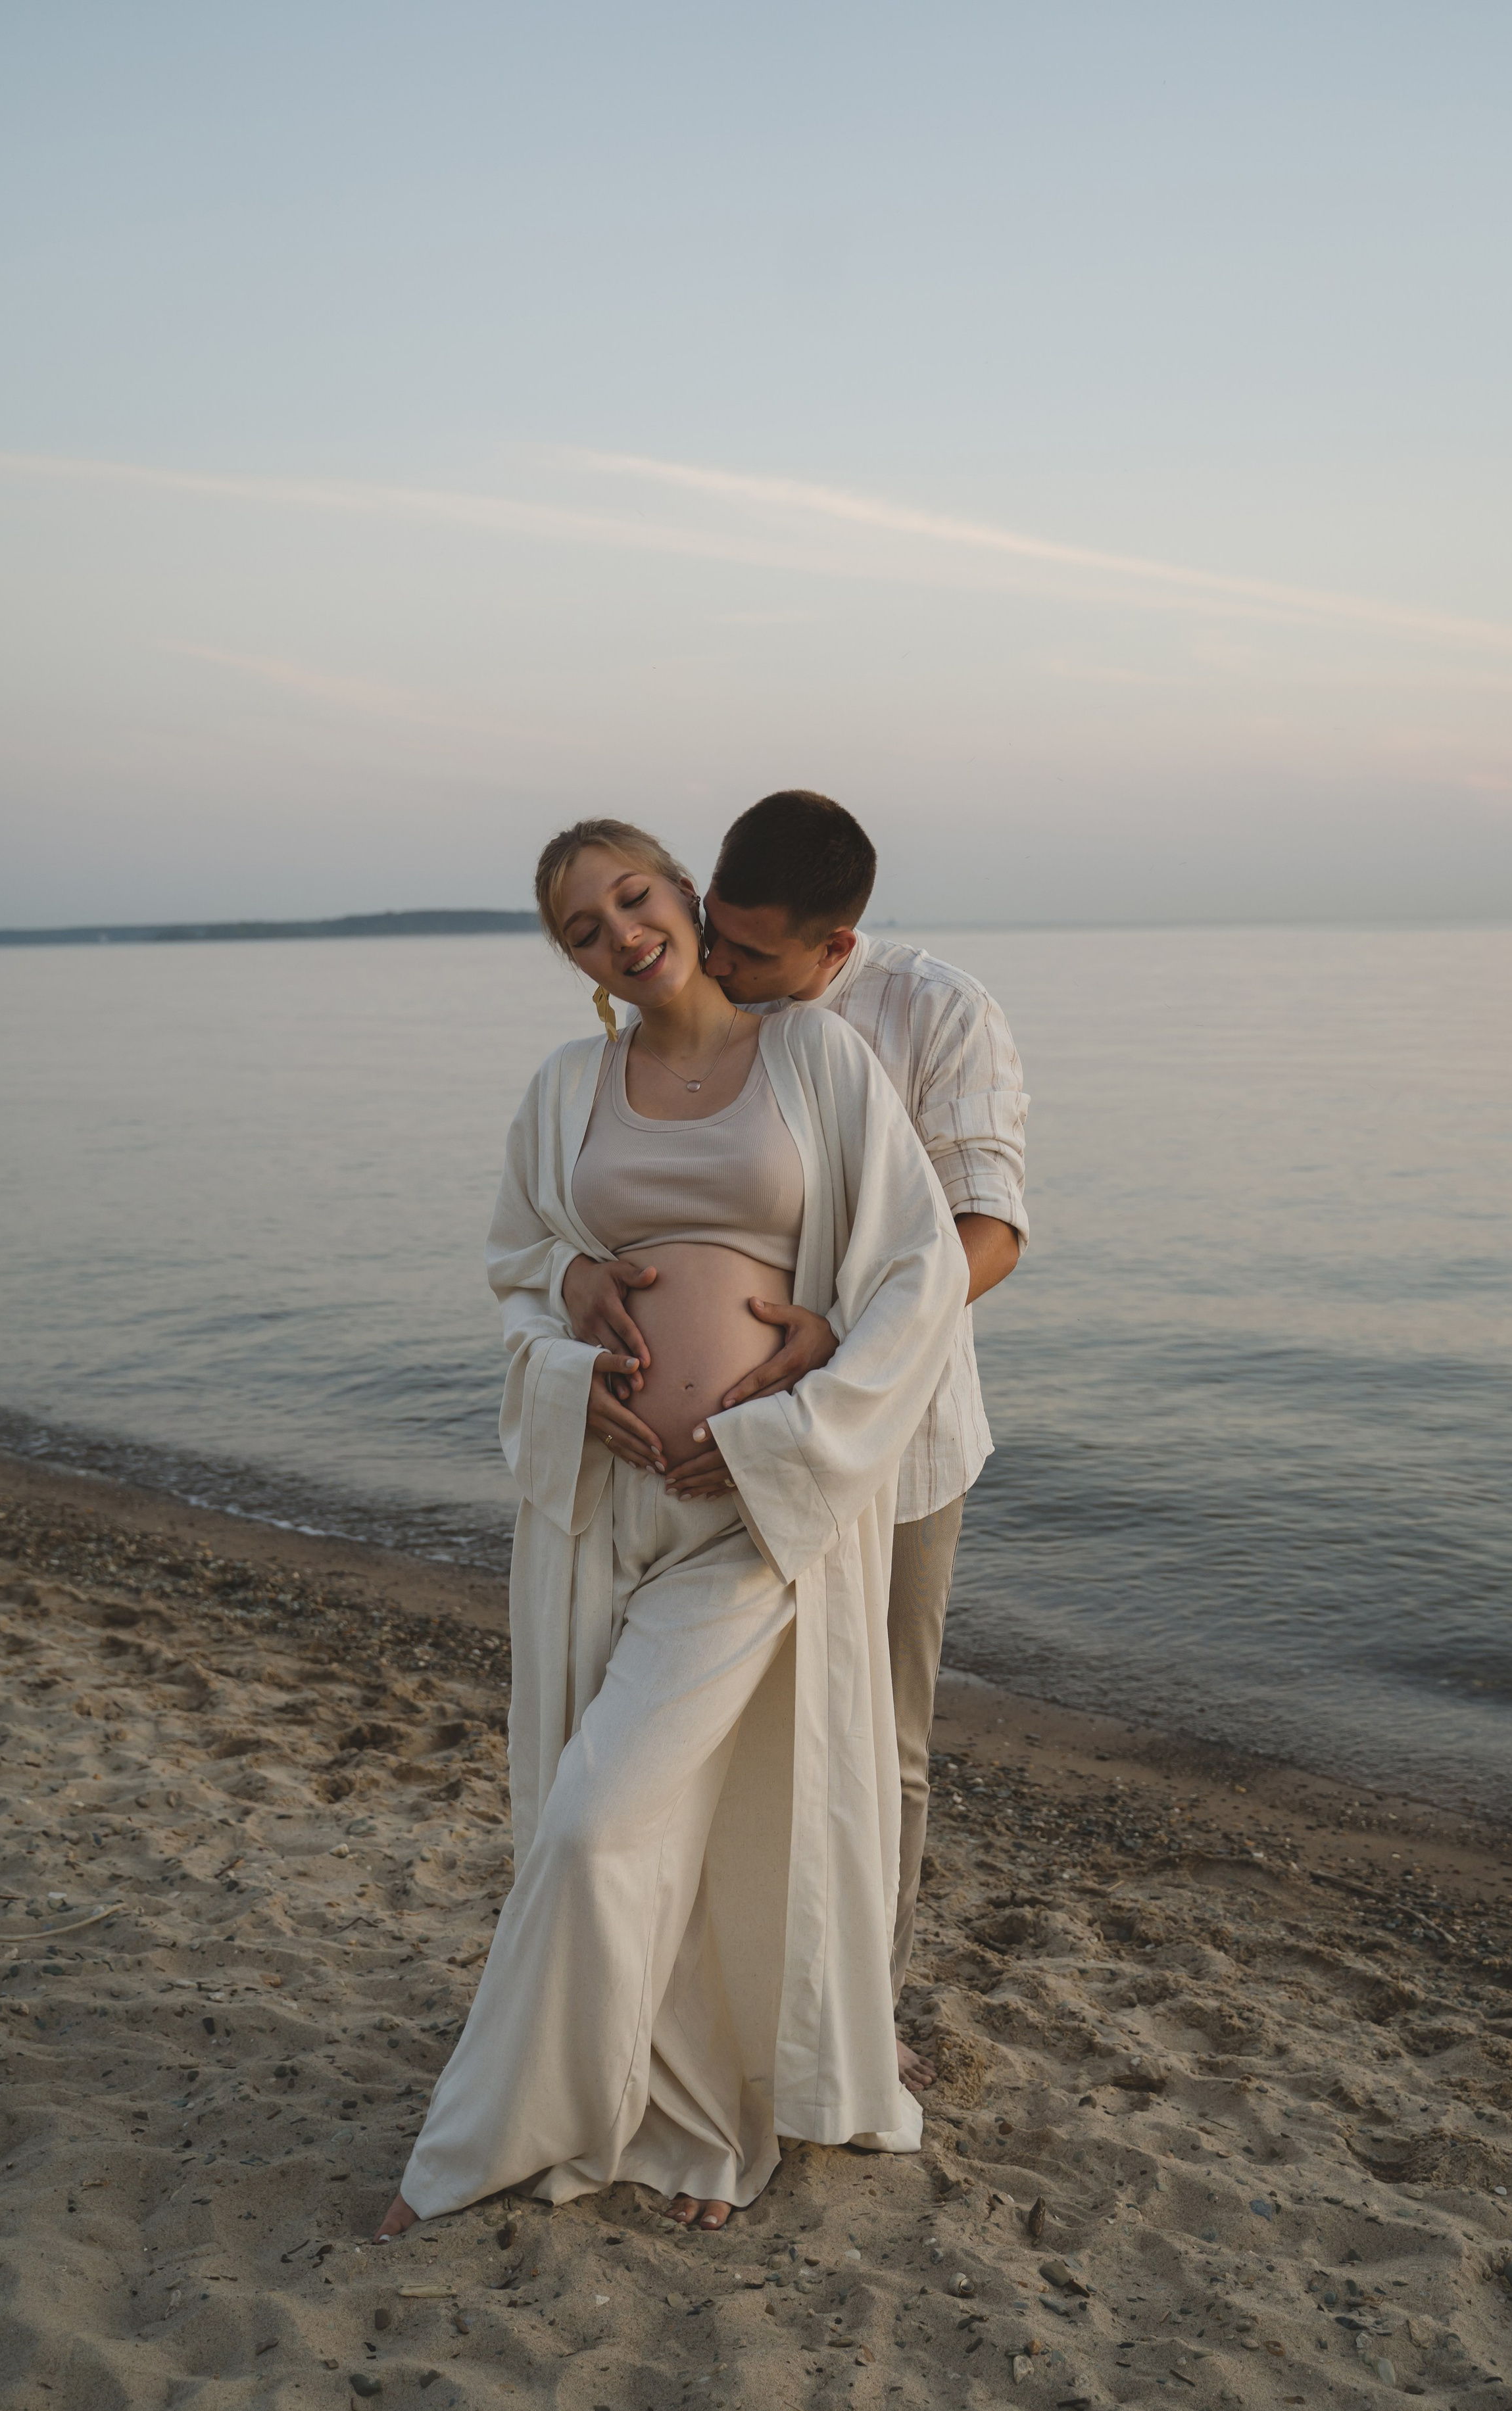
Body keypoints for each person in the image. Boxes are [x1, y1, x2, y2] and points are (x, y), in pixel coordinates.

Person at [374, 818, 966, 2243]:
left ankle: (473, 2149)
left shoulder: (817, 1059)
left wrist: (805, 1404)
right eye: (582, 929)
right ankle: (674, 2102)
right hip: (601, 1510)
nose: (619, 934)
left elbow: (921, 1266)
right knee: (642, 1815)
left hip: (753, 1515)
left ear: (685, 896)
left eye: (632, 897)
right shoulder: (565, 1086)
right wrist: (569, 1319)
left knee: (600, 1824)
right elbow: (516, 1268)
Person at [560, 792, 1027, 2092]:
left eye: (753, 951)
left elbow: (989, 1229)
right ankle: (695, 2005)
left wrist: (842, 1336)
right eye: (713, 926)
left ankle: (857, 2018)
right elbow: (608, 1187)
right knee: (700, 1730)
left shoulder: (934, 1013)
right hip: (693, 1469)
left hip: (893, 1441)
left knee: (879, 1741)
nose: (716, 959)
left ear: (836, 948)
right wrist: (574, 1279)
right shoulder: (694, 1000)